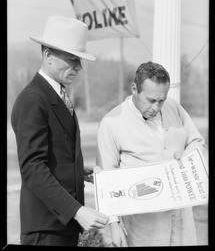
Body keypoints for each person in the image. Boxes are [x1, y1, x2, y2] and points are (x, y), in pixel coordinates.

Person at [11, 16, 109, 246]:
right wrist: (77, 210)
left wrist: (78, 172)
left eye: (80, 60)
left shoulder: (56, 95)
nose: (78, 67)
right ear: (48, 56)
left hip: (62, 226)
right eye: (72, 59)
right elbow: (33, 168)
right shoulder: (33, 99)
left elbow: (54, 152)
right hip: (46, 228)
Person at [96, 61, 208, 247]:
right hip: (144, 225)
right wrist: (114, 226)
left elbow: (197, 142)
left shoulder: (174, 106)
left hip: (182, 216)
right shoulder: (111, 123)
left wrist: (187, 156)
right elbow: (106, 180)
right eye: (151, 100)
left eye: (161, 100)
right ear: (134, 89)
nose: (157, 107)